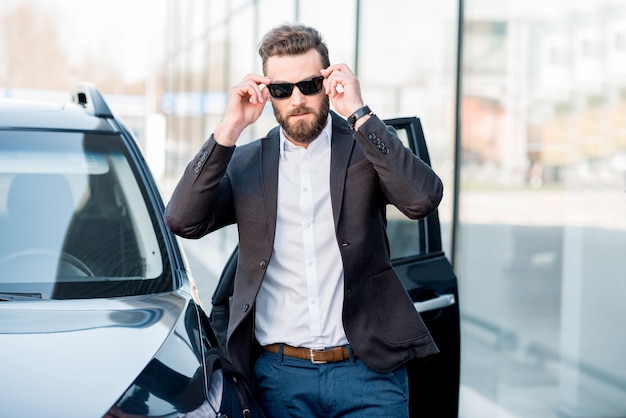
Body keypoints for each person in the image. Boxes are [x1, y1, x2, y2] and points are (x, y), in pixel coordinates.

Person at [165, 23, 443, 417]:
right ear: (268, 94)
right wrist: (229, 128)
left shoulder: (365, 152)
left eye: (309, 85)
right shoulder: (247, 164)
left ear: (328, 83)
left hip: (370, 375)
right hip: (280, 379)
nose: (297, 98)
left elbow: (422, 198)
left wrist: (360, 114)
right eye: (282, 89)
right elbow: (181, 220)